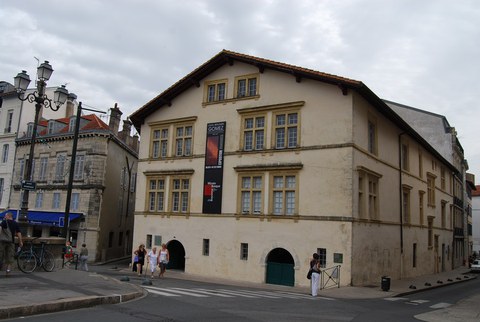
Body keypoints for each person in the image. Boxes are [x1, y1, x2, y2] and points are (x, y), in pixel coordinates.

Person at [0, 212, 23, 276]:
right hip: (11, 242)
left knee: (0, 255)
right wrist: (20, 241)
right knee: (10, 257)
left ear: (8, 216)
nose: (4, 217)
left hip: (2, 241)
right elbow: (19, 233)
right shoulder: (15, 223)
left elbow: (0, 228)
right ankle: (8, 271)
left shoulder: (4, 222)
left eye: (5, 216)